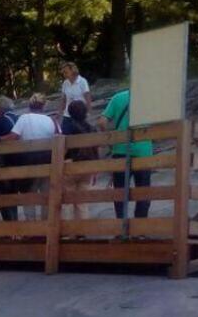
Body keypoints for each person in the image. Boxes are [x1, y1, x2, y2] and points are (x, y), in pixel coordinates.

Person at [99, 87, 153, 220]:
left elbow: (102, 121)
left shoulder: (118, 97)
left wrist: (111, 140)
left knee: (120, 191)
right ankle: (140, 226)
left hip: (120, 150)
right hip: (143, 151)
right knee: (143, 191)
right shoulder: (150, 99)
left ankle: (121, 225)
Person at [10, 94, 58, 221]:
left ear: (29, 106)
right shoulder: (50, 120)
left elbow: (13, 136)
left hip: (28, 161)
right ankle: (46, 223)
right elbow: (58, 136)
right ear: (43, 106)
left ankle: (32, 225)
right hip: (47, 160)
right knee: (46, 194)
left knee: (29, 194)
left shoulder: (24, 118)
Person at [59, 98, 100, 221]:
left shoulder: (67, 128)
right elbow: (96, 148)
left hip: (71, 165)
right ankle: (82, 228)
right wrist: (96, 168)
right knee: (82, 201)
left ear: (70, 112)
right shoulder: (92, 128)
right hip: (88, 165)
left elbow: (63, 149)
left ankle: (68, 229)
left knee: (68, 201)